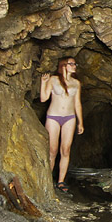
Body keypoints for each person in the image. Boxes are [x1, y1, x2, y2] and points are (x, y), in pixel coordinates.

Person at [37, 56, 83, 193]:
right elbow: (43, 98)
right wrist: (43, 83)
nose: (75, 66)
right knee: (52, 150)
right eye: (72, 64)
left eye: (75, 63)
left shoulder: (76, 83)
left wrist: (81, 122)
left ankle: (61, 181)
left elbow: (77, 103)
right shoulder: (53, 79)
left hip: (70, 118)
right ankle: (48, 178)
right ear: (63, 65)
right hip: (53, 117)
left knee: (66, 150)